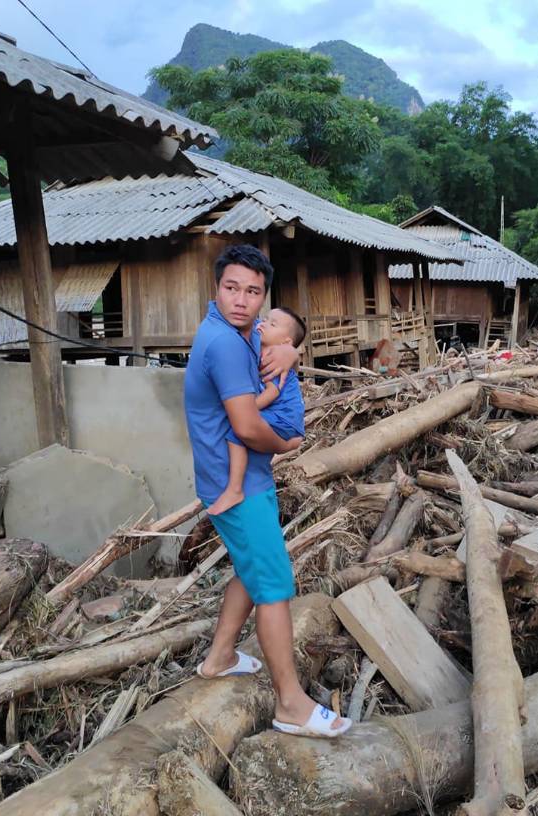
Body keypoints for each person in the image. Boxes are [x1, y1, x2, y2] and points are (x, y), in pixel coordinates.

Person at [184, 244, 351, 738]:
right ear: (217, 287)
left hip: (231, 476)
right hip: (237, 486)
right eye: (232, 288)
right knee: (274, 585)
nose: (241, 300)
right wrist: (288, 444)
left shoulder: (227, 331)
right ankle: (291, 704)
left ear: (263, 298)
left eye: (253, 292)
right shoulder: (226, 345)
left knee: (249, 567)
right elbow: (247, 427)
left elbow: (281, 342)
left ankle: (219, 657)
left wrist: (292, 350)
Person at [206, 306, 307, 517]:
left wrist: (247, 409)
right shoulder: (259, 349)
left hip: (284, 417)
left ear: (286, 341)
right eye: (265, 319)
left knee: (236, 432)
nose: (263, 324)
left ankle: (235, 489)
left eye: (272, 324)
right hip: (284, 418)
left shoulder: (273, 358)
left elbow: (272, 392)